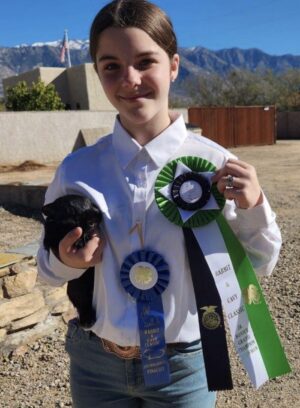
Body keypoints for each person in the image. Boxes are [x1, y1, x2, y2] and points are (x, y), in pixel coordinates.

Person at [37, 1, 282, 407]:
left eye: (145, 62)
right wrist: (68, 262)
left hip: (185, 368)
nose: (130, 79)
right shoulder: (75, 170)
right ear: (97, 73)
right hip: (95, 364)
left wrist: (254, 205)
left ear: (173, 66)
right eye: (111, 66)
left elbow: (260, 263)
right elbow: (46, 270)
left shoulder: (217, 165)